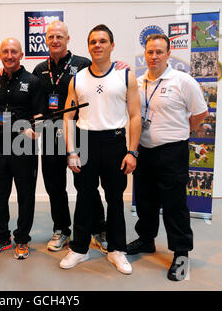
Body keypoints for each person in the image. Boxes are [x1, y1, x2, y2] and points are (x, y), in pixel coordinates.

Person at [59, 24, 142, 275]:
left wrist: (132, 151)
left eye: (103, 41)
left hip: (115, 143)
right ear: (88, 46)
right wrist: (71, 151)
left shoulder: (125, 75)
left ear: (112, 46)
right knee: (84, 198)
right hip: (85, 142)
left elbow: (136, 115)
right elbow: (68, 117)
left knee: (115, 199)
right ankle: (80, 248)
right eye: (93, 41)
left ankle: (117, 250)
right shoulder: (78, 78)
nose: (98, 45)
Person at [32, 20, 120, 254]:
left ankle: (98, 230)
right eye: (51, 37)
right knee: (54, 185)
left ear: (68, 39)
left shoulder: (82, 64)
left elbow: (103, 74)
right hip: (51, 134)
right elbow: (35, 98)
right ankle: (61, 229)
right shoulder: (39, 69)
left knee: (86, 185)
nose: (55, 40)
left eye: (59, 36)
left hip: (78, 133)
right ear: (46, 40)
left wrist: (120, 65)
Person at [126, 34, 208, 281]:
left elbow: (199, 114)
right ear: (145, 52)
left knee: (174, 206)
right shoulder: (138, 83)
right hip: (144, 150)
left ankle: (181, 253)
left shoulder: (183, 81)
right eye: (150, 51)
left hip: (173, 151)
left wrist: (181, 131)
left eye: (159, 52)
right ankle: (146, 239)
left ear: (168, 54)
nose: (154, 56)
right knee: (145, 200)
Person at [0, 38, 44, 260]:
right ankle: (1, 238)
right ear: (0, 55)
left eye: (14, 51)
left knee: (25, 195)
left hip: (23, 144)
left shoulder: (32, 81)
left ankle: (22, 239)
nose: (9, 55)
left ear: (21, 55)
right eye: (5, 51)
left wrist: (35, 131)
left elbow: (40, 116)